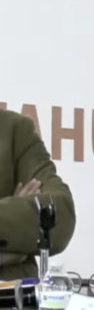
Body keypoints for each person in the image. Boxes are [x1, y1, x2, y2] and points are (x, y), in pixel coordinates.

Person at [0, 109, 76, 280]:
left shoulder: (14, 130)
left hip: (13, 293)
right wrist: (17, 213)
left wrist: (13, 212)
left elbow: (60, 212)